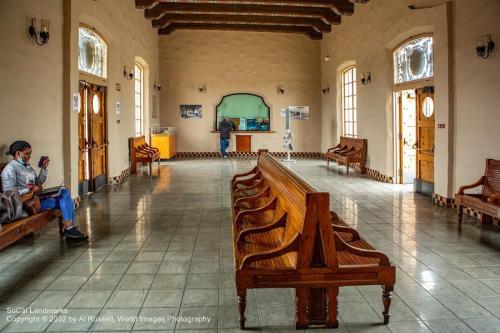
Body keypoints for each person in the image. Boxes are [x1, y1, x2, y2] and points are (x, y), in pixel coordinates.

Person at [1, 140, 88, 240]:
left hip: (36, 198)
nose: (29, 157)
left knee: (64, 192)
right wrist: (31, 190)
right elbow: (9, 194)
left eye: (30, 154)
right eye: (27, 154)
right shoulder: (10, 169)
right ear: (18, 153)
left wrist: (43, 169)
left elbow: (38, 183)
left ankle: (69, 228)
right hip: (25, 204)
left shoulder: (27, 167)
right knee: (67, 200)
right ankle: (69, 228)